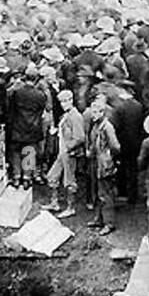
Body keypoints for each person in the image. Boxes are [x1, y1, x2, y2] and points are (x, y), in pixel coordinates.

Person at [6, 63, 50, 188]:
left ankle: (16, 176)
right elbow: (43, 109)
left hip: (17, 126)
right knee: (29, 152)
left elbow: (9, 103)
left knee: (15, 152)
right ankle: (27, 177)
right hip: (33, 127)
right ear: (36, 79)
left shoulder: (17, 92)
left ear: (25, 77)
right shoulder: (40, 95)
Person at [45, 88, 86, 218]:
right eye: (61, 102)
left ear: (71, 100)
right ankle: (54, 202)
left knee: (69, 181)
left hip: (70, 153)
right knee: (52, 176)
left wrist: (69, 148)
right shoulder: (66, 115)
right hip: (62, 152)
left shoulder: (75, 116)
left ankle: (70, 207)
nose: (63, 104)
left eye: (65, 101)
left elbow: (80, 137)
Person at [88, 99, 121, 233]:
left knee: (106, 194)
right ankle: (98, 219)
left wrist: (109, 158)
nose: (93, 114)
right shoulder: (96, 125)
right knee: (97, 192)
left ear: (102, 112)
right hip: (96, 163)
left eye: (96, 112)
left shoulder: (107, 127)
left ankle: (109, 223)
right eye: (92, 112)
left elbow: (115, 146)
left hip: (105, 165)